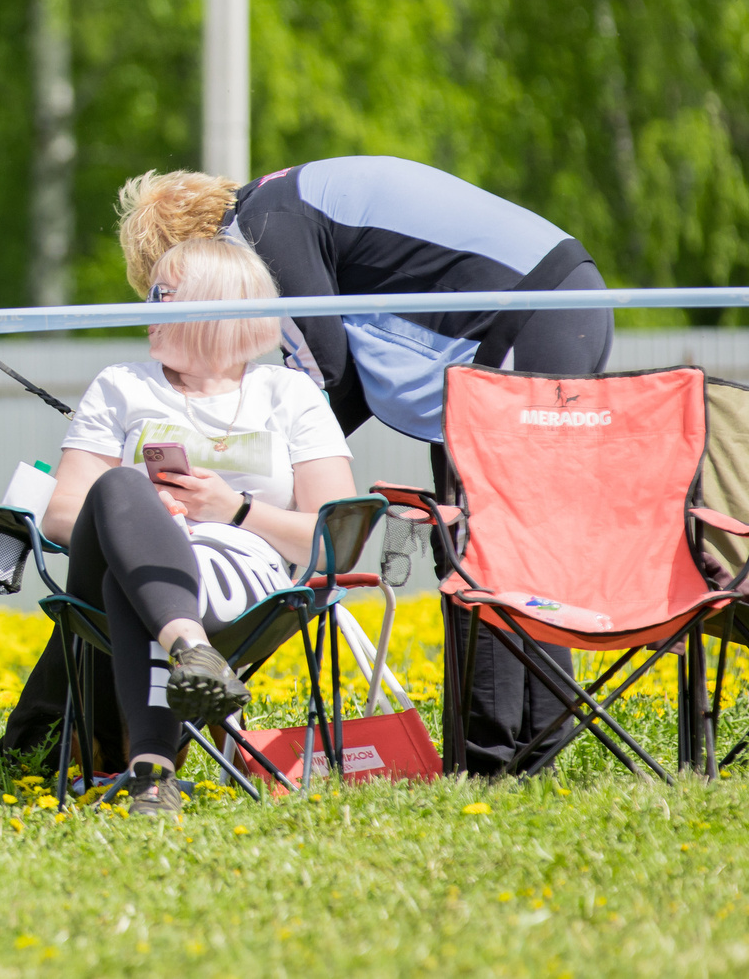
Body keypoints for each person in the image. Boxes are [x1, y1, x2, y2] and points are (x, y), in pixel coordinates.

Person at [115, 154, 612, 776]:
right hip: (544, 308)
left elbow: (326, 367)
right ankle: (534, 751)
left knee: (477, 546)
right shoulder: (278, 202)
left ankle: (492, 764)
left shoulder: (261, 225)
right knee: (507, 543)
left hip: (532, 316)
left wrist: (266, 476)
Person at [36, 233, 359, 814]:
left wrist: (233, 509)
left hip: (240, 578)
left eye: (161, 295)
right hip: (117, 558)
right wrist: (140, 516)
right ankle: (192, 651)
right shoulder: (122, 386)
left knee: (129, 585)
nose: (146, 309)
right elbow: (61, 515)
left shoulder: (289, 395)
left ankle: (153, 773)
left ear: (213, 307)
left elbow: (337, 536)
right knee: (120, 487)